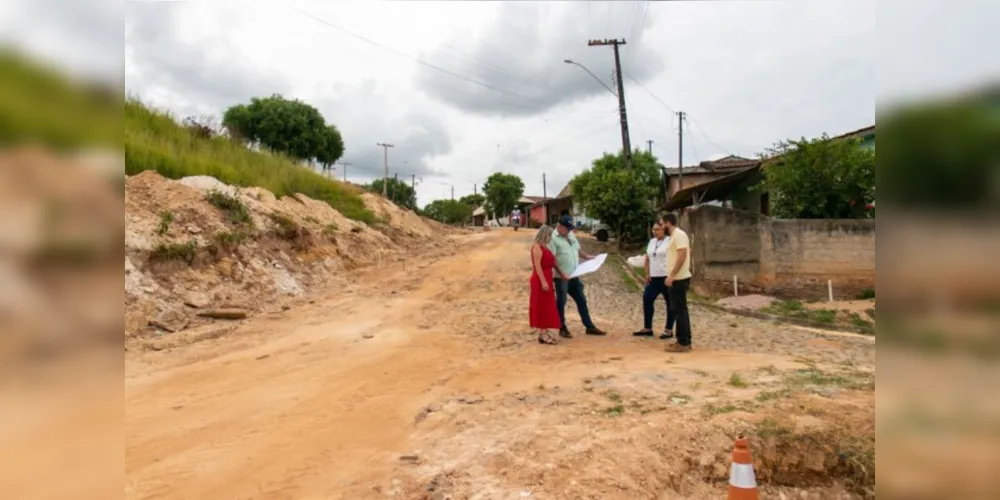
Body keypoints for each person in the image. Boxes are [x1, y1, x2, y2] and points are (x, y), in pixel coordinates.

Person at [548, 215, 607, 338]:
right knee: (561, 302)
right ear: (559, 226)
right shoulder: (553, 239)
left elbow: (577, 249)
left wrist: (587, 257)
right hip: (562, 278)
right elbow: (552, 259)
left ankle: (589, 326)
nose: (569, 230)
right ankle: (562, 327)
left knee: (582, 300)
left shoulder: (570, 235)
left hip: (574, 275)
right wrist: (561, 273)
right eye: (567, 228)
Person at [633, 221, 677, 339]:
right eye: (654, 230)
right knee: (647, 298)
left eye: (658, 229)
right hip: (653, 277)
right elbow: (647, 258)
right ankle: (647, 328)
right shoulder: (652, 242)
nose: (655, 232)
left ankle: (668, 329)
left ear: (664, 230)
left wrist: (672, 274)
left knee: (670, 303)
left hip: (665, 277)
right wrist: (647, 273)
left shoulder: (670, 240)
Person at [661, 213, 693, 352]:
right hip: (676, 278)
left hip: (679, 278)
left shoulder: (679, 235)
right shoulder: (674, 236)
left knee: (680, 311)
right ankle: (682, 340)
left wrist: (672, 275)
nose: (661, 226)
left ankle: (684, 342)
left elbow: (682, 255)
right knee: (678, 310)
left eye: (662, 224)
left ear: (668, 223)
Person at [529, 225, 565, 345]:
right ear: (545, 235)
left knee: (547, 306)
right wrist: (543, 281)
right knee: (542, 306)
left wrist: (562, 274)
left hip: (548, 279)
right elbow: (537, 266)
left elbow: (554, 263)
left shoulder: (546, 247)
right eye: (550, 236)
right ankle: (543, 333)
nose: (551, 238)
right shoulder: (537, 247)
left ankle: (543, 332)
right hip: (540, 280)